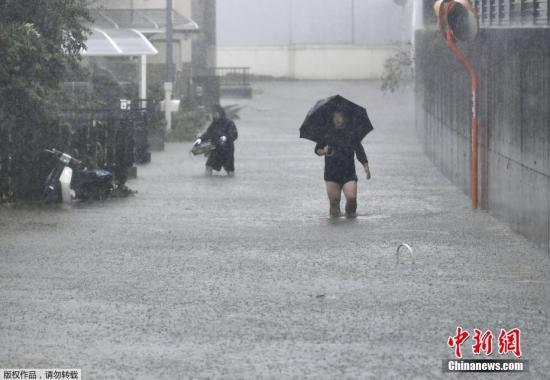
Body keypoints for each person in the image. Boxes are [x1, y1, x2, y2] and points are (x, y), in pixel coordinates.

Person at [315, 110, 370, 218]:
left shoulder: (351, 133)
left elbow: (359, 151)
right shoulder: (326, 133)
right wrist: (324, 151)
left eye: (340, 116)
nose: (337, 119)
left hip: (348, 173)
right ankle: (335, 227)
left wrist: (366, 166)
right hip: (332, 173)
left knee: (351, 198)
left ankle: (351, 218)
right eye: (335, 116)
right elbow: (317, 150)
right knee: (334, 202)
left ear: (345, 118)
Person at [194, 105, 238, 176]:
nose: (213, 115)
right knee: (208, 166)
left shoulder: (229, 123)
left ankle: (230, 179)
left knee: (229, 170)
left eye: (215, 114)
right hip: (216, 149)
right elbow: (208, 133)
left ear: (220, 113)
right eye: (213, 114)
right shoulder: (214, 124)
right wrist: (200, 139)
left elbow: (234, 134)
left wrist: (225, 137)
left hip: (227, 151)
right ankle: (207, 179)